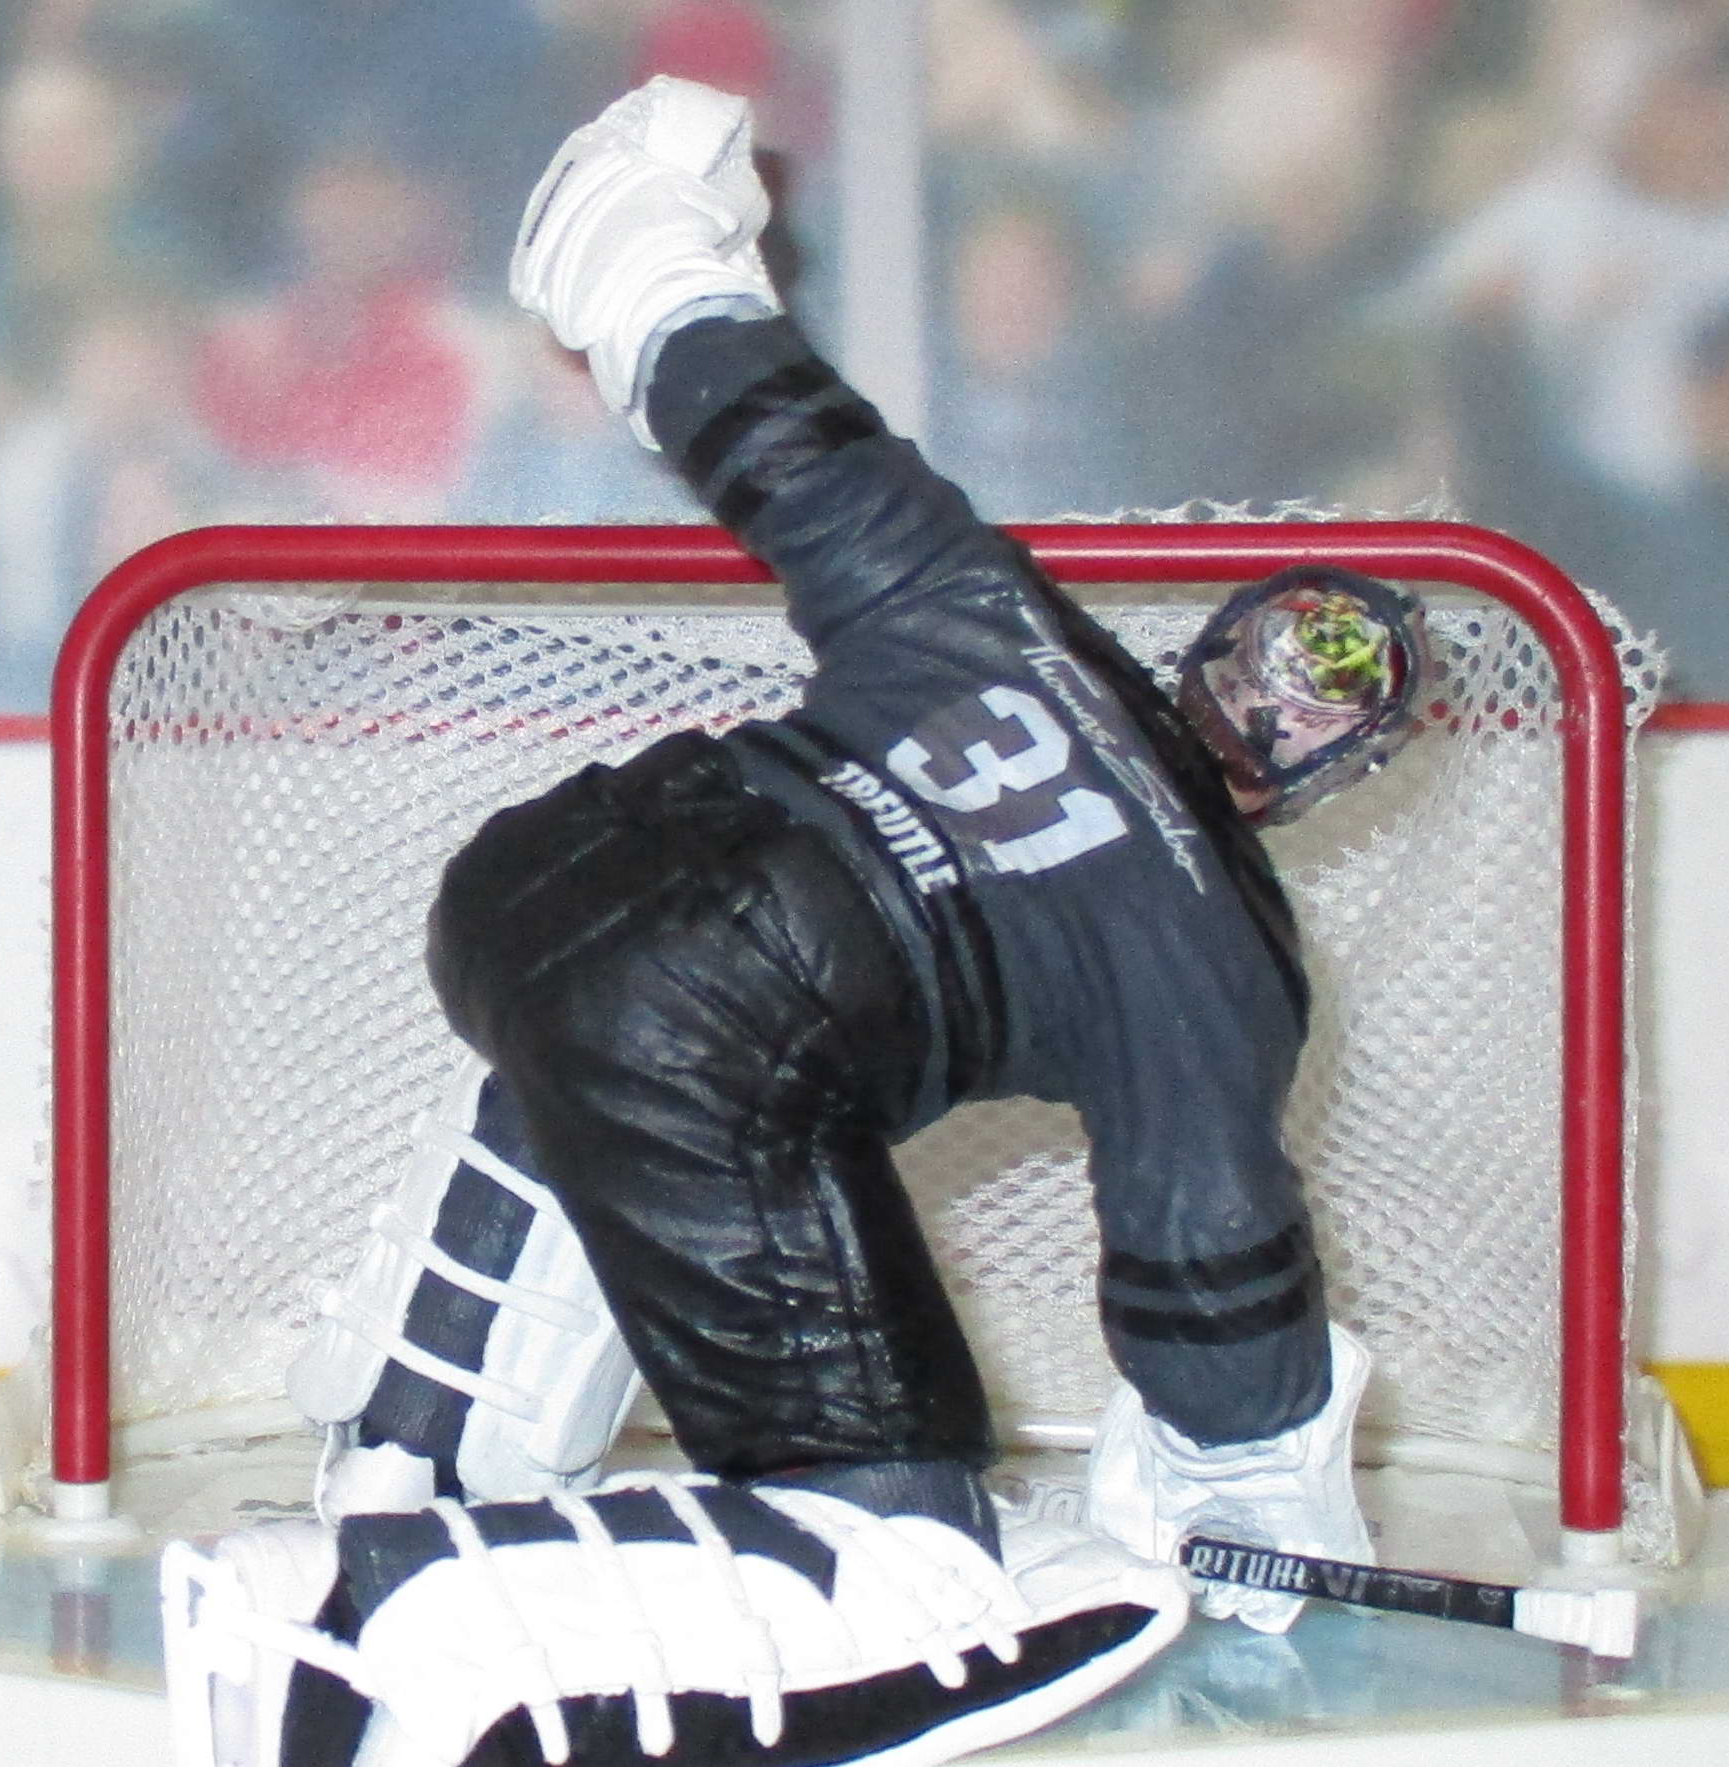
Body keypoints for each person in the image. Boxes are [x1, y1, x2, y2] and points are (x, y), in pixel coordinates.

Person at [162, 77, 1423, 1767]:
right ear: (1332, 773)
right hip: (718, 1032)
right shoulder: (1220, 958)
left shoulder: (1005, 618)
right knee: (891, 1534)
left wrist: (654, 258)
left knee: (599, 1083)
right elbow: (1209, 1279)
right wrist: (1253, 1505)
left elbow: (776, 436)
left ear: (1214, 650)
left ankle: (415, 1465)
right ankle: (358, 1631)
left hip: (536, 887)